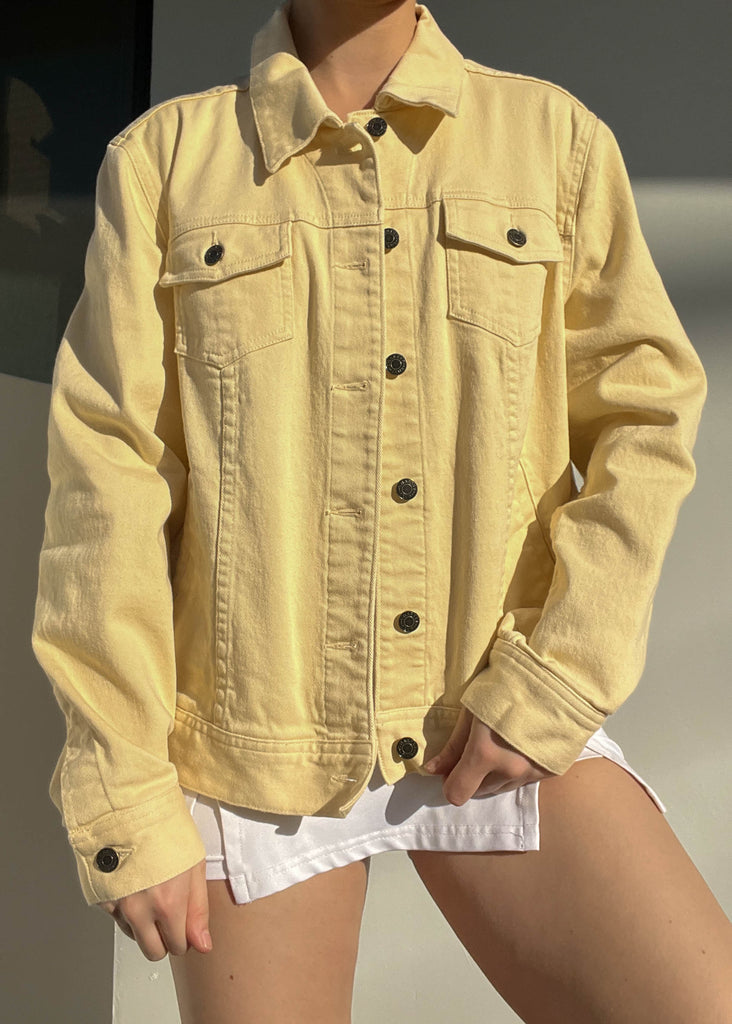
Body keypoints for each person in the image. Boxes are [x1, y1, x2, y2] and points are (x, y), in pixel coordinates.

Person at [30, 0, 732, 1021]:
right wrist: (125, 793)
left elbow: (647, 415)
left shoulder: (552, 140)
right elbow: (109, 493)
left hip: (491, 703)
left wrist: (558, 674)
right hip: (251, 740)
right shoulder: (166, 162)